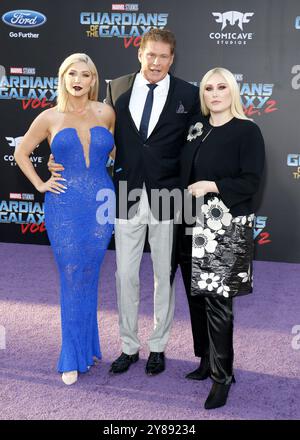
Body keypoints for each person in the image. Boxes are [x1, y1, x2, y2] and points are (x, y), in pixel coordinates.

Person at [49, 28, 199, 375]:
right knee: (125, 275)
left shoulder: (188, 95)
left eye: (163, 56)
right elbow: (101, 138)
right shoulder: (116, 88)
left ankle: (158, 346)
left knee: (164, 274)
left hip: (167, 194)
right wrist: (59, 159)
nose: (156, 62)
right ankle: (129, 346)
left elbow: (195, 145)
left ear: (172, 59)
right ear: (140, 54)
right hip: (127, 191)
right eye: (151, 55)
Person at [14, 53, 115, 385]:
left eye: (85, 74)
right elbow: (21, 151)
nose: (78, 80)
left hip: (101, 204)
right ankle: (71, 355)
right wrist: (42, 181)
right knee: (72, 275)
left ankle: (88, 347)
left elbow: (111, 154)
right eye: (72, 73)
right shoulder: (48, 117)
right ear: (62, 78)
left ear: (92, 80)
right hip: (64, 206)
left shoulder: (106, 112)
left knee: (90, 274)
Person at [173, 67, 265, 409]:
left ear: (233, 92)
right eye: (209, 88)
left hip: (224, 227)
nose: (214, 93)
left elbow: (251, 181)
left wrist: (212, 186)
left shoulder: (247, 131)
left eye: (221, 87)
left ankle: (222, 377)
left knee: (218, 304)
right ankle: (205, 361)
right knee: (197, 297)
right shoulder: (196, 128)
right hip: (190, 222)